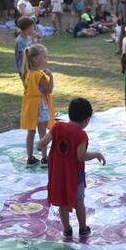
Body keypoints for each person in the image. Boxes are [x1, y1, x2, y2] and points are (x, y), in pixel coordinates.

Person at [38, 97, 105, 239]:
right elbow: (81, 156)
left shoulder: (57, 126)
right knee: (79, 201)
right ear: (87, 120)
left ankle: (67, 229)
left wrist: (40, 146)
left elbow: (42, 143)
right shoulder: (81, 134)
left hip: (57, 173)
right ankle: (83, 228)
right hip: (75, 175)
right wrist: (96, 154)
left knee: (62, 201)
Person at [20, 44, 54, 165]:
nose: (46, 59)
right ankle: (45, 158)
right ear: (36, 59)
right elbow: (48, 90)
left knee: (31, 132)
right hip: (40, 106)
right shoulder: (39, 75)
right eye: (44, 57)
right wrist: (51, 77)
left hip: (30, 106)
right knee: (42, 132)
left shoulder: (28, 73)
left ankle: (30, 157)